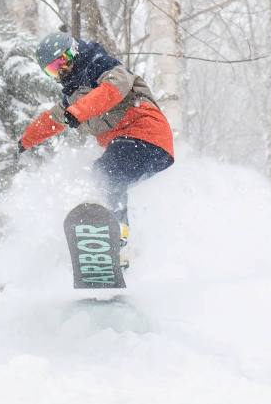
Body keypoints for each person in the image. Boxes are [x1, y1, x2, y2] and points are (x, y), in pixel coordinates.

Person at [18, 31, 174, 260]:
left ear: (74, 52)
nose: (61, 71)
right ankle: (122, 250)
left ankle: (117, 231)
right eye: (53, 69)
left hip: (147, 135)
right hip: (130, 145)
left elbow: (111, 90)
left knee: (107, 171)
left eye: (62, 61)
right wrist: (24, 142)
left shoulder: (102, 66)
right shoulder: (73, 96)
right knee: (102, 176)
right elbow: (51, 120)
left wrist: (79, 111)